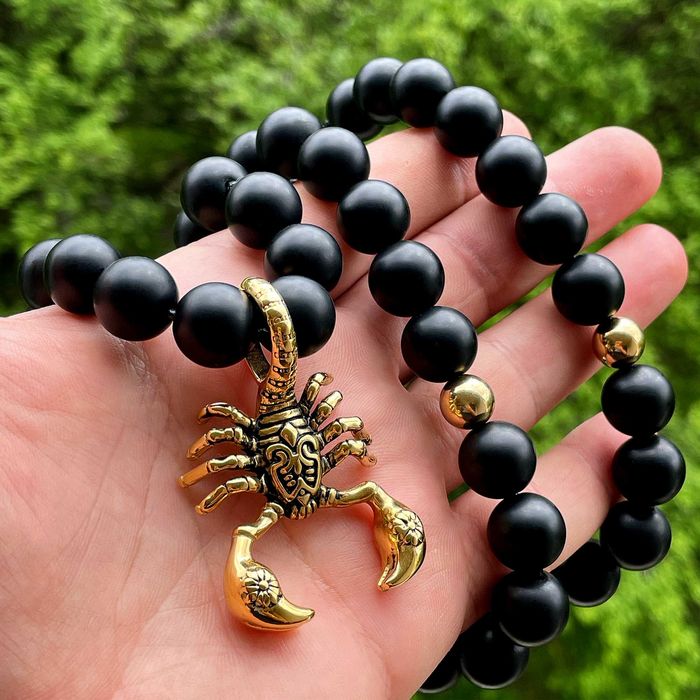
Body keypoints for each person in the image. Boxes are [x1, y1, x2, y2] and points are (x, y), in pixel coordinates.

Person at [0, 115, 687, 698]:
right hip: (276, 434)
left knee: (368, 496)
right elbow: (229, 459)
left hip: (298, 427)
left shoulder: (328, 440)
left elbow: (345, 432)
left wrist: (353, 462)